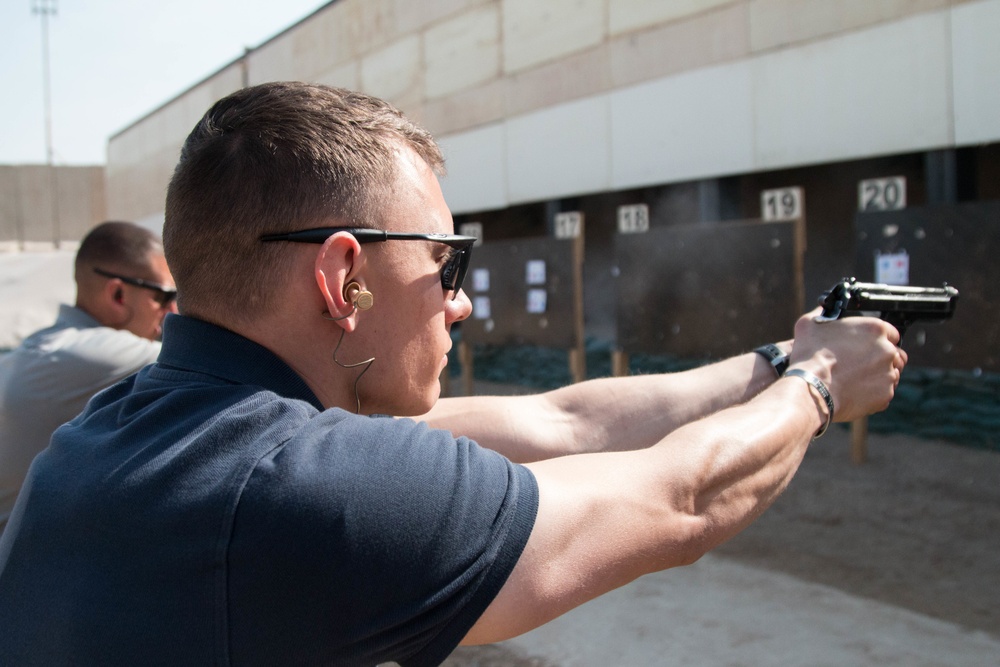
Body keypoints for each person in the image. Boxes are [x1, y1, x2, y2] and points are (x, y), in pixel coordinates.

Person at [0, 83, 905, 666]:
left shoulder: (128, 426)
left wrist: (786, 356)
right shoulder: (300, 486)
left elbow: (566, 422)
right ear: (341, 276)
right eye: (447, 263)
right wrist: (821, 387)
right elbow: (678, 500)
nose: (461, 301)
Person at [0, 221, 176, 533]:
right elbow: (208, 354)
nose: (172, 310)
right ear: (119, 294)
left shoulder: (48, 344)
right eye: (163, 297)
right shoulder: (92, 354)